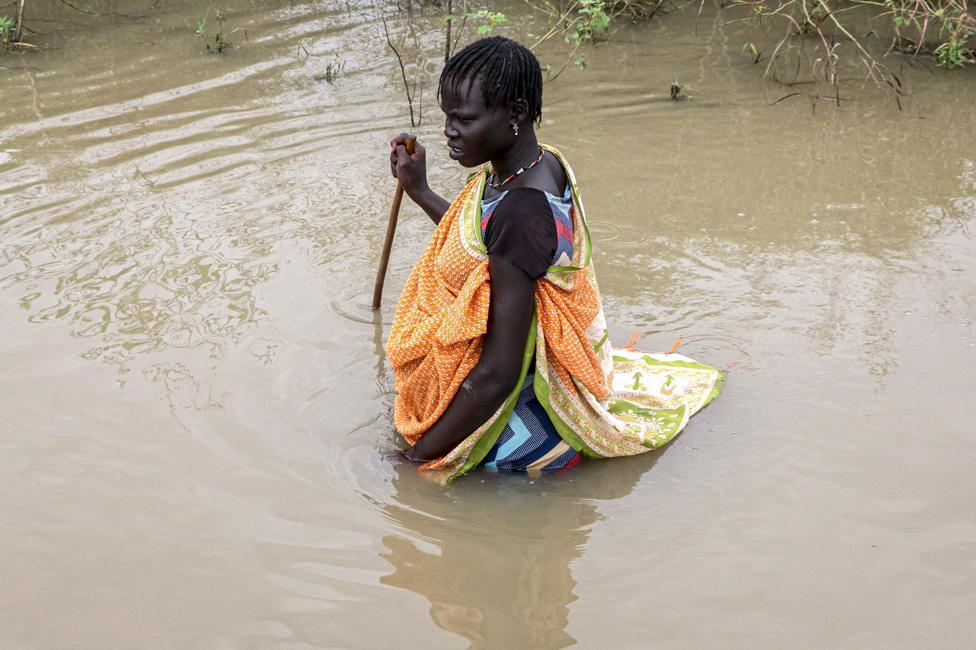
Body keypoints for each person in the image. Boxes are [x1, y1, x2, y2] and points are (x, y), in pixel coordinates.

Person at [386, 37, 722, 481]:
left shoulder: (522, 210)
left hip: (534, 396)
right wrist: (421, 191)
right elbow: (486, 243)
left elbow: (498, 374)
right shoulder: (536, 164)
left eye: (464, 119)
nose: (449, 130)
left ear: (516, 113)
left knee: (451, 463)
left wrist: (411, 461)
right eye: (448, 117)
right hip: (522, 364)